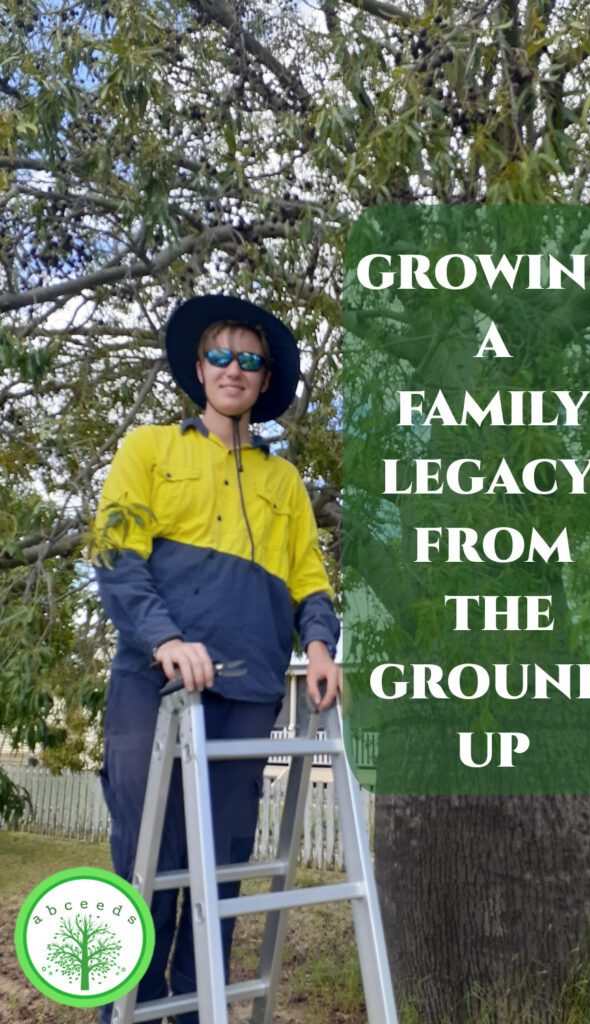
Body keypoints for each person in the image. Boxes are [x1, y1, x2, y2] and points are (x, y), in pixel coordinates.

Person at [94, 294, 341, 1024]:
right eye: (221, 356)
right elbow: (115, 552)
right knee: (148, 859)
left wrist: (320, 645)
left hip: (250, 690)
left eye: (250, 360)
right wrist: (165, 639)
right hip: (153, 681)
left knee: (222, 868)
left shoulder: (284, 482)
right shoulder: (149, 449)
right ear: (199, 369)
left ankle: (195, 1011)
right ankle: (126, 1013)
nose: (235, 369)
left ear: (264, 382)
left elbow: (308, 579)